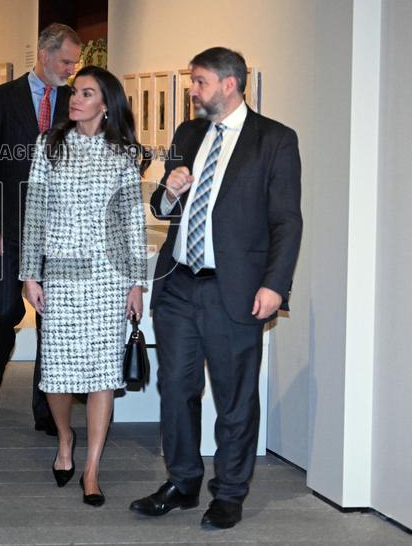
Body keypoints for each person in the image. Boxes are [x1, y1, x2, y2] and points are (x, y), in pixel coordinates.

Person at [129, 47, 302, 529]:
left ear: (230, 84)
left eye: (199, 81)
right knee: (175, 388)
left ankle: (229, 492)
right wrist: (168, 193)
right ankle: (183, 481)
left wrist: (275, 285)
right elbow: (163, 210)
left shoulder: (275, 140)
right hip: (180, 285)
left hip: (237, 289)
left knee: (234, 397)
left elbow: (287, 220)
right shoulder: (188, 133)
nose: (191, 90)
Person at [20, 65, 147, 507]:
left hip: (110, 278)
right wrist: (29, 273)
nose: (75, 99)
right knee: (56, 373)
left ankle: (91, 469)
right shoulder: (50, 146)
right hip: (62, 271)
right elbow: (35, 210)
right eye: (75, 92)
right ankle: (64, 439)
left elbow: (132, 219)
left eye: (86, 93)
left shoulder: (125, 154)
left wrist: (136, 283)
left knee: (103, 376)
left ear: (106, 104)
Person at [0, 23, 81, 434]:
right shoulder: (2, 98)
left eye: (74, 62)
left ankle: (45, 408)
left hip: (59, 232)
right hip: (10, 227)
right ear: (43, 53)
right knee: (5, 310)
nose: (71, 69)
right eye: (66, 60)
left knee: (51, 320)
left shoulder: (76, 101)